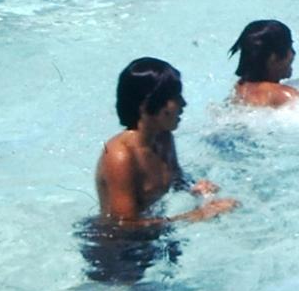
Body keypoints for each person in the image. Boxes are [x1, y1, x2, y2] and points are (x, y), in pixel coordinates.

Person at [95, 57, 239, 227]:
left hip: (156, 233)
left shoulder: (163, 137)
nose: (183, 104)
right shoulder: (120, 157)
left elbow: (176, 179)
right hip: (116, 248)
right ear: (147, 104)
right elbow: (124, 226)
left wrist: (195, 187)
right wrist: (198, 215)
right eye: (175, 98)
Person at [229, 20, 299, 107]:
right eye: (290, 47)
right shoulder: (284, 96)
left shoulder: (239, 90)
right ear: (273, 57)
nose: (294, 53)